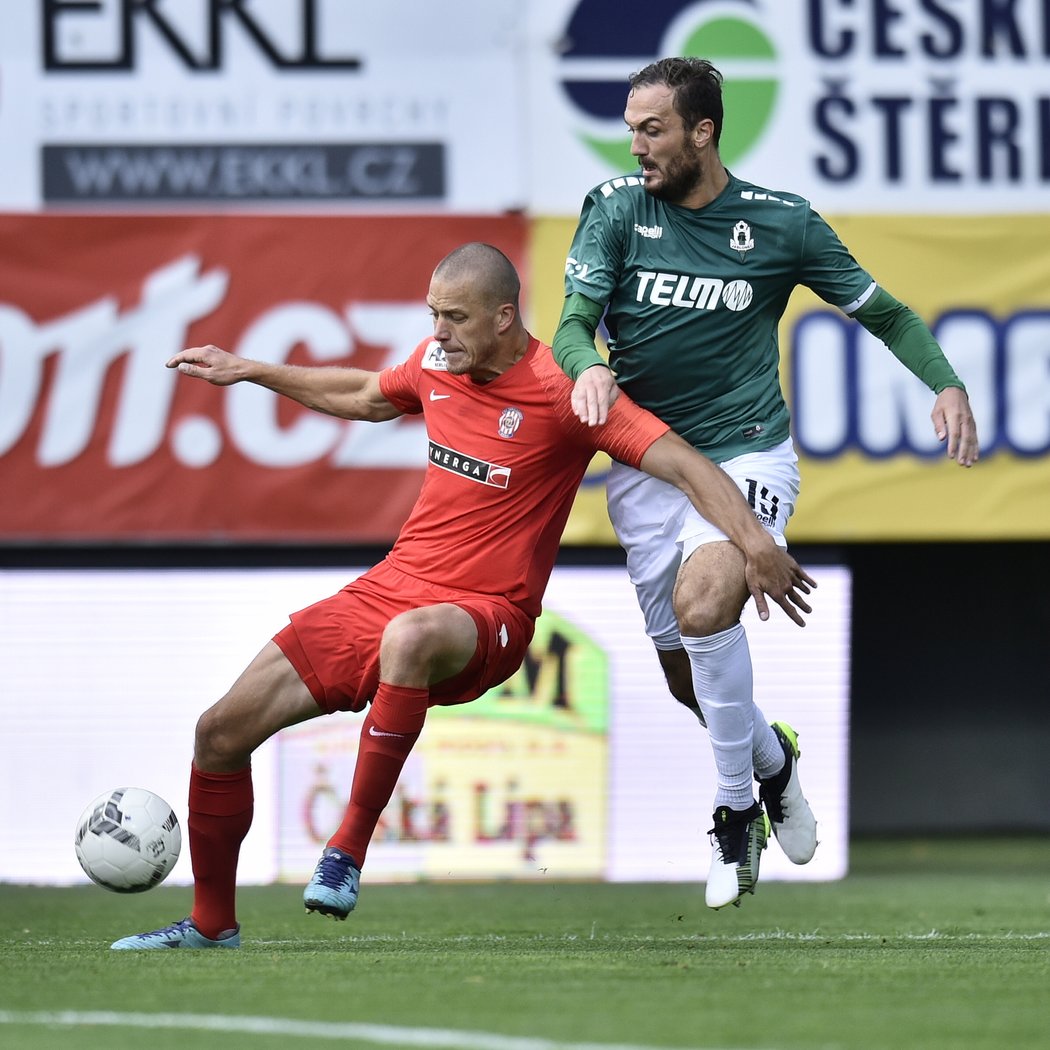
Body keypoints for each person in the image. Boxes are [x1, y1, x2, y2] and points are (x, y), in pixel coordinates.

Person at [110, 242, 814, 949]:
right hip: (389, 588)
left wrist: (754, 542)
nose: (438, 333)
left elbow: (684, 465)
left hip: (488, 616)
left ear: (505, 317)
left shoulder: (568, 392)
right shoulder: (435, 365)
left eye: (454, 317)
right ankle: (210, 925)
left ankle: (347, 850)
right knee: (218, 732)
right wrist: (251, 370)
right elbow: (362, 395)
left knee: (410, 639)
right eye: (432, 315)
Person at [552, 57, 980, 910]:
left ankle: (734, 814)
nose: (635, 146)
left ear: (702, 133)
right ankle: (773, 760)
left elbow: (884, 313)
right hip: (646, 462)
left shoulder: (782, 224)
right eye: (631, 128)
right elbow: (570, 323)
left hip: (748, 452)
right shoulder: (613, 210)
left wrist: (946, 382)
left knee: (706, 602)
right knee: (687, 676)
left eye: (653, 130)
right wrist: (585, 368)